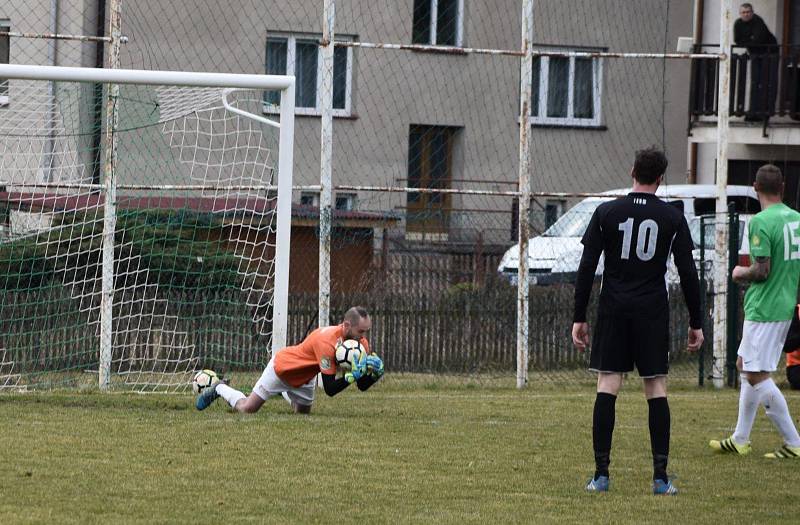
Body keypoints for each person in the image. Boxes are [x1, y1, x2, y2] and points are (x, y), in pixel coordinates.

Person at [572, 147, 704, 496]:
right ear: (661, 179)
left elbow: (587, 268)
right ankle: (660, 479)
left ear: (632, 171)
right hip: (651, 311)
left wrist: (578, 317)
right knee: (655, 387)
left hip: (614, 308)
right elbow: (688, 274)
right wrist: (696, 321)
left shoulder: (606, 211)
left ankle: (601, 475)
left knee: (608, 385)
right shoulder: (673, 217)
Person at [710, 164, 800, 459]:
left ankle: (794, 442)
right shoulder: (796, 219)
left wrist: (738, 272)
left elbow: (761, 271)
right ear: (783, 187)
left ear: (755, 188)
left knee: (756, 374)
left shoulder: (761, 221)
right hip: (785, 303)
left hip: (765, 307)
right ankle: (740, 438)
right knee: (744, 364)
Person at [195, 306, 384, 414]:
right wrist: (352, 376)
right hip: (284, 369)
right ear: (347, 325)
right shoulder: (326, 342)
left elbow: (361, 385)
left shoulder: (360, 343)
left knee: (301, 414)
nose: (363, 337)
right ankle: (219, 387)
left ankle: (283, 393)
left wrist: (374, 375)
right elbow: (330, 389)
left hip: (305, 377)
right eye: (361, 331)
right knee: (247, 408)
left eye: (366, 331)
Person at [733, 3, 778, 119]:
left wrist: (749, 40)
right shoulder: (738, 24)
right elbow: (737, 40)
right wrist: (750, 39)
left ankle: (764, 113)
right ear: (740, 14)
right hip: (755, 54)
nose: (746, 14)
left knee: (766, 82)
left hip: (769, 53)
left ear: (752, 12)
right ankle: (753, 112)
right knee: (755, 82)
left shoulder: (758, 21)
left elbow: (759, 40)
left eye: (748, 12)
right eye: (743, 12)